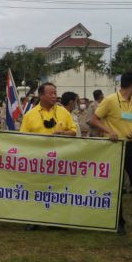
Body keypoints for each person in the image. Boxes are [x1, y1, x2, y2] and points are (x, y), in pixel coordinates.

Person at [90, 71, 132, 235]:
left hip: (131, 146)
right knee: (117, 186)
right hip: (115, 147)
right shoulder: (110, 100)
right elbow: (93, 120)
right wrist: (109, 131)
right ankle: (118, 222)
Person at [20, 83, 77, 231]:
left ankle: (56, 220)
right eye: (51, 93)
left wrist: (63, 133)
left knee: (57, 189)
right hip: (37, 161)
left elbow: (73, 131)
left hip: (59, 160)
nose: (54, 96)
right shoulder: (30, 115)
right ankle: (33, 220)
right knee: (36, 190)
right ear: (41, 95)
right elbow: (23, 138)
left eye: (55, 93)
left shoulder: (64, 112)